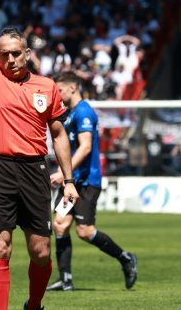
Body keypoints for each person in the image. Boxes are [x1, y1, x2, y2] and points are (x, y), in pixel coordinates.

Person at [0, 0, 79, 310]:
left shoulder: (47, 86)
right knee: (1, 247)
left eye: (15, 53)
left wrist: (70, 180)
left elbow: (58, 134)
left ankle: (33, 305)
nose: (10, 59)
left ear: (27, 53)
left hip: (34, 170)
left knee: (41, 251)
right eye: (3, 54)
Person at [47, 72, 137, 292]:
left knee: (85, 231)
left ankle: (125, 258)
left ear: (73, 88)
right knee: (60, 224)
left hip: (86, 181)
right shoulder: (69, 113)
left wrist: (63, 173)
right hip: (72, 182)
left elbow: (85, 147)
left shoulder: (85, 112)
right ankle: (65, 279)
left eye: (59, 89)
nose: (56, 94)